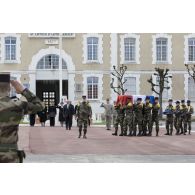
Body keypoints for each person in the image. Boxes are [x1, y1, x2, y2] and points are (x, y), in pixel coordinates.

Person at [0, 73, 44, 163]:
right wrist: (23, 90)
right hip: (9, 156)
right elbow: (40, 105)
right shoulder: (17, 105)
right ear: (9, 88)